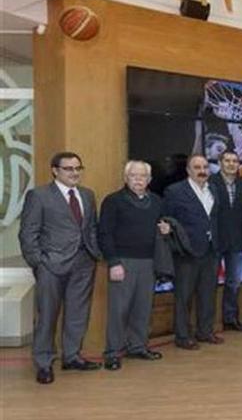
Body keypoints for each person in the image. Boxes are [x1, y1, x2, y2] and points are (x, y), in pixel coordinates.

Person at [19, 152, 102, 384]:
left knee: (78, 313)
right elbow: (28, 233)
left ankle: (72, 356)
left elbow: (91, 228)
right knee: (47, 315)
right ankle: (44, 363)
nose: (74, 173)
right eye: (68, 169)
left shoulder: (87, 195)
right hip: (50, 265)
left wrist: (94, 252)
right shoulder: (39, 195)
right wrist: (38, 261)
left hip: (84, 262)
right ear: (55, 170)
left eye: (78, 168)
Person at [99, 160, 171, 371]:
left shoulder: (157, 201)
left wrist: (166, 228)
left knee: (143, 308)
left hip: (149, 262)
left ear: (149, 180)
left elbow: (161, 224)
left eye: (142, 176)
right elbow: (104, 234)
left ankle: (138, 346)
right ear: (126, 178)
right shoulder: (113, 201)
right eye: (134, 176)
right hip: (122, 263)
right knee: (118, 310)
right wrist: (113, 262)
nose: (138, 180)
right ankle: (112, 352)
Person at [162, 154, 223, 350]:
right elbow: (167, 218)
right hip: (186, 252)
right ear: (188, 170)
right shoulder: (175, 191)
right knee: (184, 297)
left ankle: (205, 331)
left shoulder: (213, 188)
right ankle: (182, 336)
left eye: (205, 166)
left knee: (208, 294)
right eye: (197, 167)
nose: (202, 170)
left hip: (211, 250)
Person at [209, 150, 242, 332]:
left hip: (237, 241)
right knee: (209, 282)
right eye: (227, 161)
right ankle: (208, 322)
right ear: (220, 162)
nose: (231, 164)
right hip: (216, 240)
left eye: (235, 161)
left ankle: (230, 318)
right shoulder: (210, 183)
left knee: (233, 282)